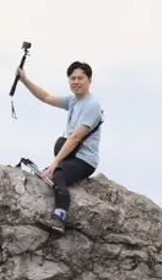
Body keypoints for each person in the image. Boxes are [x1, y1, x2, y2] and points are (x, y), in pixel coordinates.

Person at [13, 59, 103, 234]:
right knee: (50, 164)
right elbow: (46, 97)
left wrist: (55, 163)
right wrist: (24, 80)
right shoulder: (73, 101)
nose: (75, 82)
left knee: (57, 176)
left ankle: (59, 218)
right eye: (72, 78)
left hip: (85, 161)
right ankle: (56, 169)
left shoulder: (92, 105)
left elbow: (76, 138)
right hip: (71, 156)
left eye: (80, 78)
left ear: (89, 80)